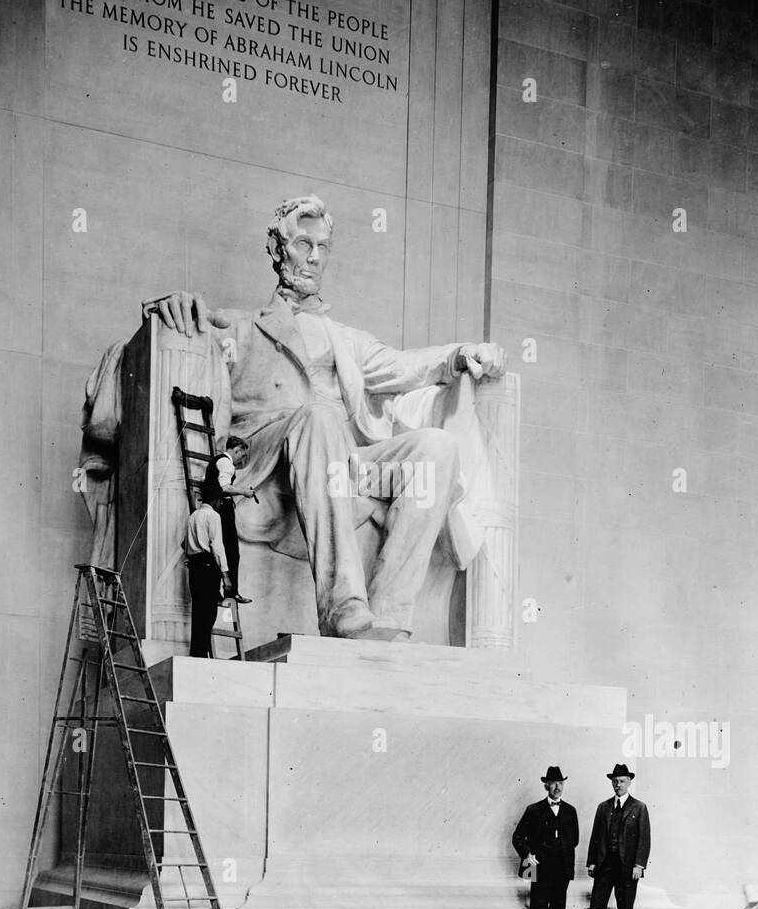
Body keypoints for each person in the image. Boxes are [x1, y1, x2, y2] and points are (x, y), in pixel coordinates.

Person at [82, 195, 507, 641]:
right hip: (266, 463)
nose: (314, 257)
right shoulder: (242, 327)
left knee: (438, 448)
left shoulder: (345, 340)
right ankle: (342, 608)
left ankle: (388, 618)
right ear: (277, 248)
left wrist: (462, 354)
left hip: (340, 467)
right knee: (319, 417)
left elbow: (408, 366)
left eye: (323, 248)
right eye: (304, 243)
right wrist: (181, 309)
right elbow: (192, 326)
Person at [578, 763, 651, 909]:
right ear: (611, 783)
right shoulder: (603, 807)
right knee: (597, 906)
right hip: (604, 865)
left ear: (629, 782)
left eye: (622, 781)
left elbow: (644, 839)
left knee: (625, 908)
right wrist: (592, 862)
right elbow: (595, 837)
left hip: (628, 868)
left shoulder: (639, 807)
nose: (618, 784)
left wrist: (639, 865)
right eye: (615, 781)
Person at [512, 766, 579, 909]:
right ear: (546, 786)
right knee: (538, 908)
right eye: (553, 783)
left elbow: (574, 840)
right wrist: (527, 854)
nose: (558, 787)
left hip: (562, 869)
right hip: (540, 869)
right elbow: (518, 837)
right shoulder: (533, 810)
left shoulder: (570, 811)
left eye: (561, 783)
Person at [183, 465, 230, 659]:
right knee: (209, 613)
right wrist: (226, 575)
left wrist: (193, 554)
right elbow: (217, 546)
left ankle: (197, 653)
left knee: (198, 612)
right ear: (215, 499)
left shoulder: (193, 516)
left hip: (194, 568)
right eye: (220, 499)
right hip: (208, 567)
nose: (221, 503)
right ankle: (201, 656)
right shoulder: (213, 516)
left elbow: (183, 544)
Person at [208, 436, 257, 604]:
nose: (241, 459)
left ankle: (218, 593)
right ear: (236, 450)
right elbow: (224, 487)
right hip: (222, 510)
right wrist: (244, 492)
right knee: (231, 552)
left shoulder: (218, 462)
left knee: (218, 551)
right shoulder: (226, 463)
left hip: (215, 508)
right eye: (242, 455)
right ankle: (231, 593)